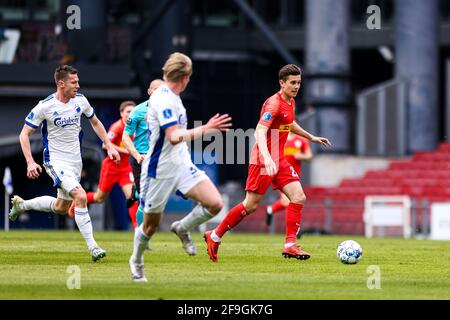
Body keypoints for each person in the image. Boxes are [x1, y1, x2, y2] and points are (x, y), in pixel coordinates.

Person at [204, 64, 331, 263]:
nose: (297, 86)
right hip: (263, 161)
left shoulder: (290, 101)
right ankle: (215, 236)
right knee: (251, 205)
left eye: (299, 83)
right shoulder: (273, 104)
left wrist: (311, 137)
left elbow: (289, 123)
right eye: (293, 83)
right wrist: (267, 158)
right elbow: (260, 131)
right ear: (282, 83)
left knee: (298, 196)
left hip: (278, 159)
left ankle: (290, 245)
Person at [129, 52, 232, 282]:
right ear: (185, 77)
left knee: (215, 203)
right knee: (150, 226)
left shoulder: (173, 95)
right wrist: (206, 128)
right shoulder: (164, 99)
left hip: (182, 164)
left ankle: (181, 227)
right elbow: (174, 136)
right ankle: (136, 262)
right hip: (159, 170)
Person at [9, 65, 120, 261]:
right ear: (61, 83)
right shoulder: (45, 106)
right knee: (81, 196)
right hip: (55, 161)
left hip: (75, 162)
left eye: (78, 81)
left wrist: (109, 145)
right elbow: (24, 134)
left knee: (61, 207)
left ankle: (22, 205)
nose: (78, 85)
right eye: (73, 82)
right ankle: (93, 247)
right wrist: (29, 162)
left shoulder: (81, 101)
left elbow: (95, 121)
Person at [69, 100, 139, 229]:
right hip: (111, 167)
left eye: (133, 111)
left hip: (125, 168)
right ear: (121, 113)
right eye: (128, 111)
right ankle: (77, 200)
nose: (130, 114)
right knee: (99, 198)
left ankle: (138, 229)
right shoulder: (117, 127)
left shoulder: (135, 126)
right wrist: (128, 150)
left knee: (133, 198)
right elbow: (104, 145)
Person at [122, 79, 164, 227]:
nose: (159, 92)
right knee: (146, 200)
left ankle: (136, 193)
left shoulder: (168, 112)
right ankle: (140, 234)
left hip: (159, 158)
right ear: (149, 91)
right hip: (141, 158)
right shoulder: (138, 111)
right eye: (156, 89)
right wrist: (137, 155)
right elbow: (126, 136)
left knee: (157, 195)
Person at [265, 132, 312, 227]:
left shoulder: (301, 140)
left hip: (294, 176)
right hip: (281, 174)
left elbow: (309, 156)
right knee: (288, 202)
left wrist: (301, 156)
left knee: (290, 201)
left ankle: (271, 209)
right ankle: (293, 230)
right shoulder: (280, 138)